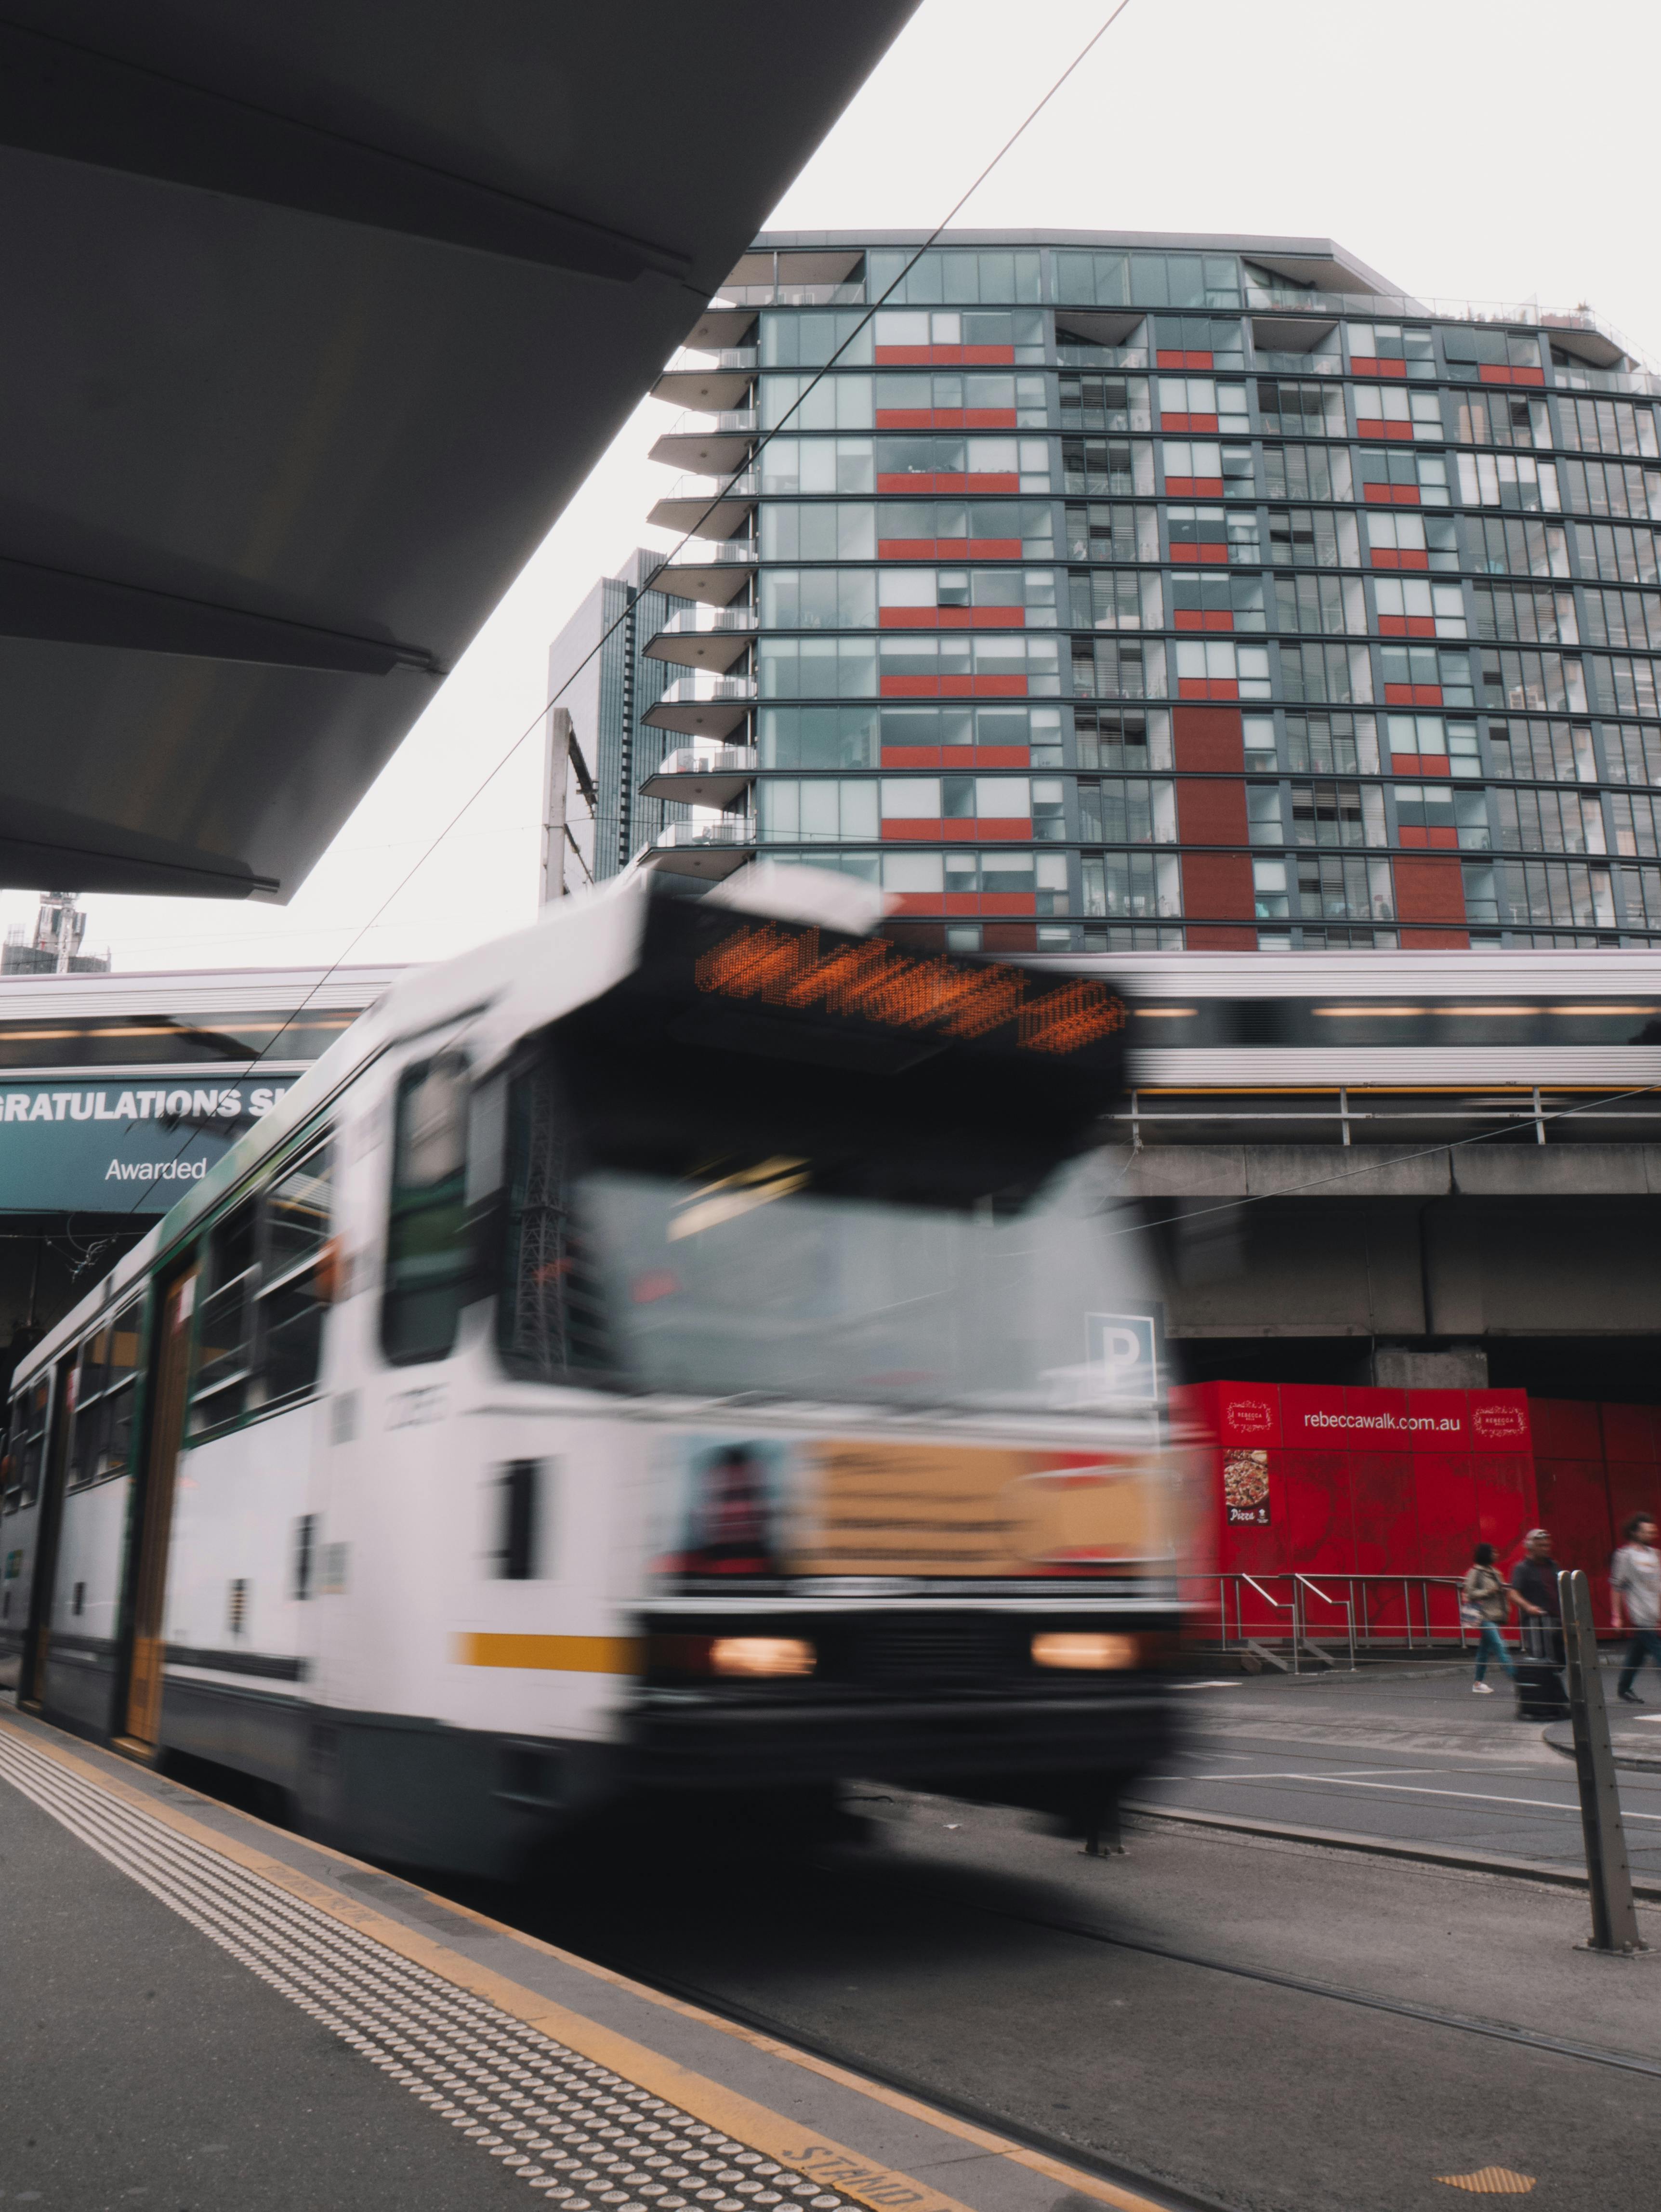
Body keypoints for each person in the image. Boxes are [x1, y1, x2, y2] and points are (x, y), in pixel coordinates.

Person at [1611, 1513, 1661, 1704]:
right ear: (1634, 1532)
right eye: (1647, 1531)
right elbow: (1617, 1586)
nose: (1652, 1534)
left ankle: (1624, 1688)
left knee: (1637, 1654)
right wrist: (1617, 1615)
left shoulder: (1655, 1554)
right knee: (1659, 1652)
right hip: (1639, 1613)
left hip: (1653, 1611)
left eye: (1653, 1531)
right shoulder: (1625, 1556)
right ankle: (1624, 1688)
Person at [1461, 1542, 1517, 1693]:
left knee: (1484, 1650)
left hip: (1495, 1615)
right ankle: (1517, 1679)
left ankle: (1478, 1684)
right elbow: (1470, 1593)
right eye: (1494, 1552)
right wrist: (1489, 1591)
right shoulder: (1475, 1572)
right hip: (1484, 1616)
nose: (1497, 1555)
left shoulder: (1495, 1572)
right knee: (1500, 1646)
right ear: (1486, 1554)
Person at [1510, 1527, 1560, 1666]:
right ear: (1531, 1547)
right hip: (1536, 1621)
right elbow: (1513, 1593)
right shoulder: (1522, 1568)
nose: (1546, 1549)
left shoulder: (1553, 1566)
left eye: (1547, 1545)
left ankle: (1553, 1686)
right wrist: (1529, 1607)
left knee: (1559, 1659)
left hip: (1556, 1619)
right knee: (1541, 1661)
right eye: (1541, 1546)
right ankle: (1545, 1687)